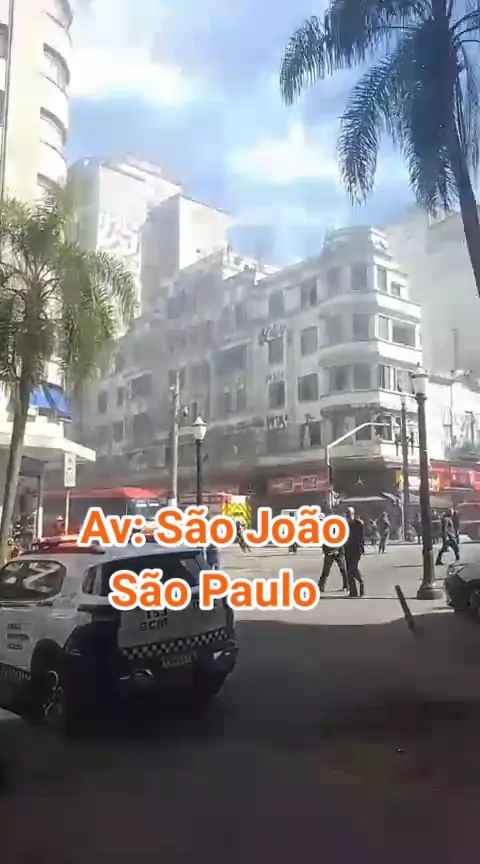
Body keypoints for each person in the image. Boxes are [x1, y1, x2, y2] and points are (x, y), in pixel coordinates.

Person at [344, 507, 365, 597]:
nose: (348, 515)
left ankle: (361, 582)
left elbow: (361, 538)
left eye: (350, 513)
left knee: (353, 569)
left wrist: (361, 548)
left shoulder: (358, 524)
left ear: (353, 514)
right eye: (347, 514)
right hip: (347, 550)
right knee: (349, 571)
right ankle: (353, 591)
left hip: (356, 550)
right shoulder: (345, 525)